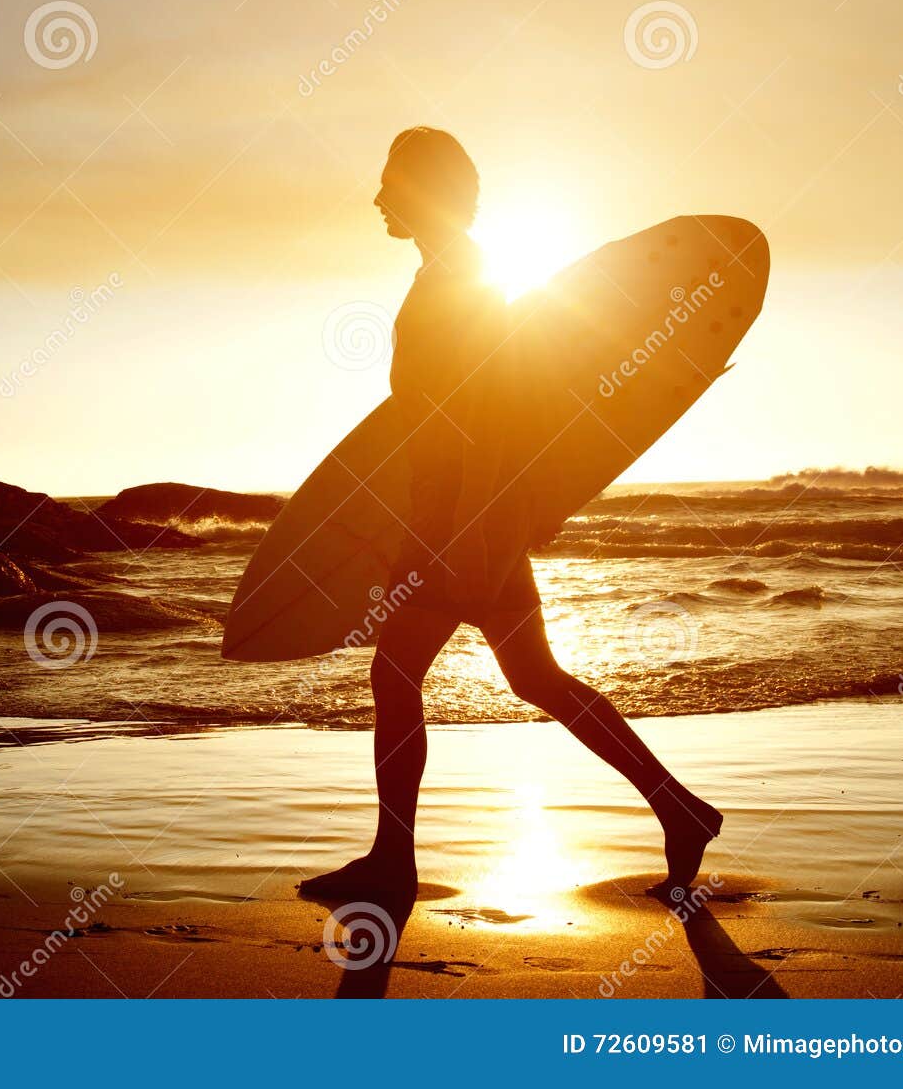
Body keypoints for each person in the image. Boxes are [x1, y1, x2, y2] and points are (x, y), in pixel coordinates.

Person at [299, 127, 722, 904]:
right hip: (462, 512)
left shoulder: (462, 279)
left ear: (422, 189)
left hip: (456, 519)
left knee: (396, 675)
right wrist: (516, 508)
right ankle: (679, 809)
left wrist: (475, 527)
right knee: (535, 678)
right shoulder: (451, 273)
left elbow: (496, 411)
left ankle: (394, 862)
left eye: (391, 180)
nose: (378, 196)